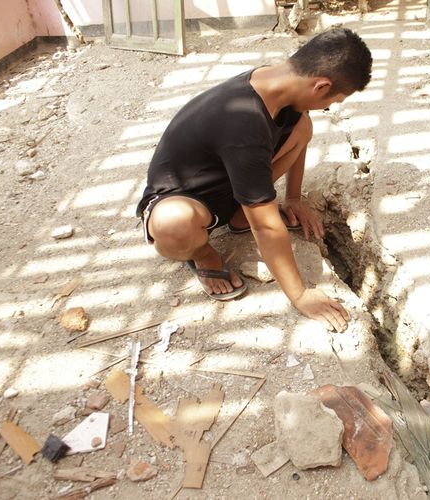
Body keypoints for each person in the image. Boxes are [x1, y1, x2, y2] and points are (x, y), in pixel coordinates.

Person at [136, 28, 372, 333]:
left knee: (301, 126)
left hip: (230, 183)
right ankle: (203, 252)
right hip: (185, 198)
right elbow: (265, 226)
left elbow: (296, 137)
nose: (331, 107)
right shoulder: (243, 122)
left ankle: (237, 215)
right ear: (321, 86)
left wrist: (294, 198)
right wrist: (300, 295)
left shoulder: (276, 84)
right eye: (333, 101)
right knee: (173, 225)